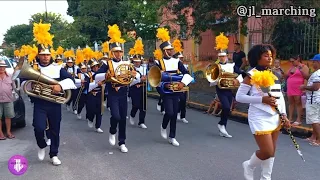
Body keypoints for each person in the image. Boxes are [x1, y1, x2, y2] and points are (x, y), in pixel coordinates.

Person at [236, 44, 291, 179]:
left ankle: (266, 178)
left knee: (272, 151)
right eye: (266, 56)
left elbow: (280, 97)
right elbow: (239, 97)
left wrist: (284, 115)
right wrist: (262, 100)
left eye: (271, 56)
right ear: (257, 58)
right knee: (267, 151)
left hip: (275, 116)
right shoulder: (250, 75)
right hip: (259, 117)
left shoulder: (275, 74)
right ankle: (249, 165)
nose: (270, 59)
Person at [93, 24, 137, 153]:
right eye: (116, 52)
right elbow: (97, 76)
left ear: (122, 52)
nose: (118, 54)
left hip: (124, 92)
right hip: (112, 93)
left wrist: (135, 74)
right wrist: (106, 75)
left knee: (123, 118)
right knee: (116, 116)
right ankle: (112, 131)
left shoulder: (127, 63)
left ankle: (122, 141)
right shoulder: (107, 63)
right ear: (112, 53)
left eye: (120, 51)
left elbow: (135, 75)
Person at [156, 28, 193, 146]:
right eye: (168, 50)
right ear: (163, 51)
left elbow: (186, 73)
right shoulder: (158, 63)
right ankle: (163, 126)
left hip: (177, 89)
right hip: (165, 90)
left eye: (171, 49)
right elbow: (155, 79)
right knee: (170, 112)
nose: (171, 51)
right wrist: (163, 86)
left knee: (174, 112)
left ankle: (172, 136)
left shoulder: (177, 61)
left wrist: (183, 83)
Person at [300, 54, 320, 146]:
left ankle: (318, 140)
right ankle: (313, 136)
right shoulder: (316, 73)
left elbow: (315, 87)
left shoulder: (318, 73)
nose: (313, 63)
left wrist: (304, 87)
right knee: (314, 119)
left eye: (314, 62)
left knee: (314, 120)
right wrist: (302, 69)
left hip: (314, 99)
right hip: (314, 99)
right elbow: (308, 77)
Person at [285, 55, 309, 125]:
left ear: (298, 59)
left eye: (293, 61)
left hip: (298, 87)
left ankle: (299, 119)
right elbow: (286, 75)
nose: (292, 63)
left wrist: (304, 87)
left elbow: (306, 77)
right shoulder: (292, 67)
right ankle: (290, 118)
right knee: (291, 103)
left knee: (298, 103)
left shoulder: (303, 67)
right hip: (290, 87)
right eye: (291, 61)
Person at [129, 54, 148, 129]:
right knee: (136, 105)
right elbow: (130, 81)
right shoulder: (131, 69)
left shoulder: (144, 68)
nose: (137, 63)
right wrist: (140, 79)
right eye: (136, 62)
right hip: (134, 88)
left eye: (138, 62)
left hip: (142, 87)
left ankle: (141, 122)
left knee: (143, 106)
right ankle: (132, 115)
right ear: (133, 62)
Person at [87, 60, 104, 133]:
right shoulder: (89, 75)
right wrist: (97, 84)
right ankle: (90, 119)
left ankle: (98, 126)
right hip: (91, 94)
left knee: (100, 110)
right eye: (94, 66)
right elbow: (87, 85)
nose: (96, 68)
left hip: (100, 93)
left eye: (97, 66)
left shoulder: (102, 74)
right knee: (92, 109)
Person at [0, 59, 15, 140]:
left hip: (8, 99)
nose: (1, 68)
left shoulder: (10, 76)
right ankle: (1, 133)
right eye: (0, 67)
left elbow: (14, 87)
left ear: (5, 67)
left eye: (3, 67)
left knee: (8, 117)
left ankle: (8, 132)